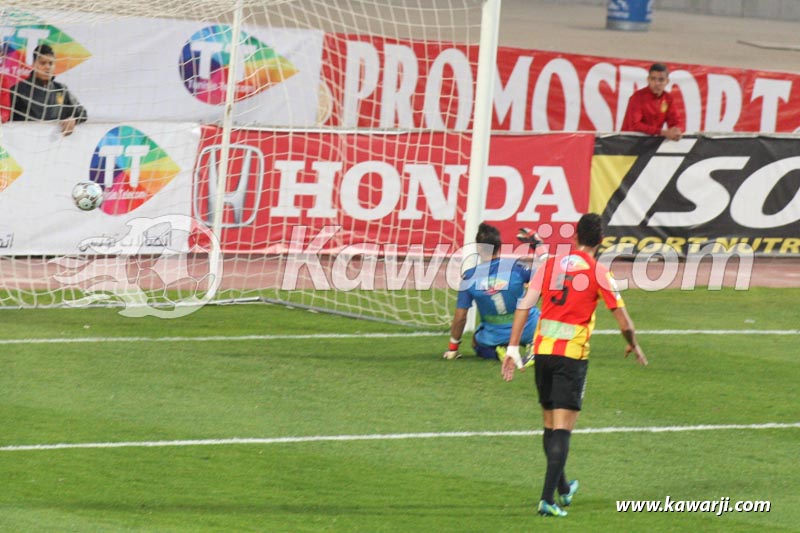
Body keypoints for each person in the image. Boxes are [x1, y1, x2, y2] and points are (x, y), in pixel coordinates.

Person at [501, 213, 648, 518]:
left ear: (574, 236)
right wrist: (632, 343)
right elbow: (623, 320)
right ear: (602, 241)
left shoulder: (550, 264)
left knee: (548, 424)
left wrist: (513, 347)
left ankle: (563, 489)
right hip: (572, 357)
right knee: (563, 429)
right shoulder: (598, 272)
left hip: (542, 353)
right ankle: (546, 499)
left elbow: (525, 304)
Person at [443, 223, 541, 363]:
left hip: (495, 335)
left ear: (478, 247)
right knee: (540, 325)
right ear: (499, 245)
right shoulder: (516, 267)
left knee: (476, 341)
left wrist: (453, 348)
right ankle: (533, 346)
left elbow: (461, 316)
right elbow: (544, 280)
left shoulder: (469, 276)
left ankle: (498, 352)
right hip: (527, 327)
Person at [9, 43, 87, 136]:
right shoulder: (18, 90)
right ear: (34, 64)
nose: (47, 67)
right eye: (43, 63)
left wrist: (73, 119)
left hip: (56, 144)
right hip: (24, 143)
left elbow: (82, 113)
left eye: (51, 63)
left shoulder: (61, 89)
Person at [621, 63, 683, 141]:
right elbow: (635, 125)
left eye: (661, 80)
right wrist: (662, 132)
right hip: (629, 143)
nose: (657, 83)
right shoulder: (637, 97)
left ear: (667, 81)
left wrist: (677, 131)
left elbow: (675, 121)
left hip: (650, 144)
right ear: (648, 79)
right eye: (653, 79)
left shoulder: (668, 99)